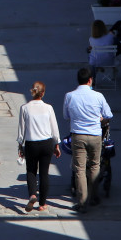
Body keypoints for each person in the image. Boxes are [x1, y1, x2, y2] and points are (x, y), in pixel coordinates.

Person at [63, 67, 113, 213]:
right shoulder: (98, 96)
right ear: (90, 80)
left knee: (79, 169)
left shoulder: (69, 96)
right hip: (95, 136)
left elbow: (66, 116)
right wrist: (100, 120)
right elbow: (108, 114)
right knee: (94, 166)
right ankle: (93, 196)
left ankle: (82, 201)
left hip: (78, 136)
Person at [17, 81, 61, 212]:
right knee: (44, 173)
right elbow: (54, 128)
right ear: (43, 93)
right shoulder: (48, 108)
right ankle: (42, 204)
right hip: (46, 143)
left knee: (31, 171)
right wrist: (56, 144)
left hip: (31, 144)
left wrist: (20, 145)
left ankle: (32, 194)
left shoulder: (24, 108)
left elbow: (21, 129)